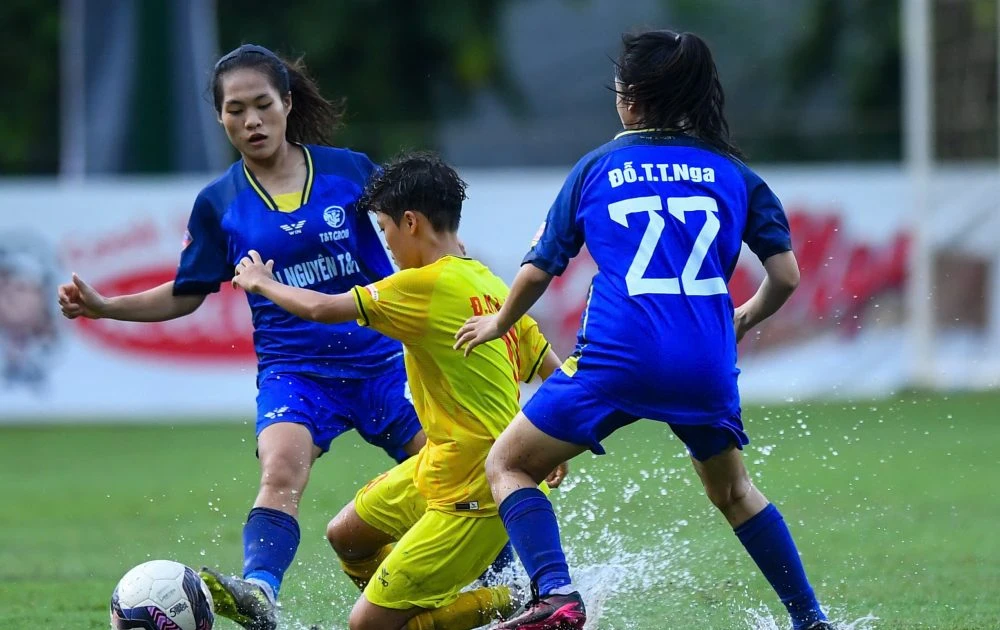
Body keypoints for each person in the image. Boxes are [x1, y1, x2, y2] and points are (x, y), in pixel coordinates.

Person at [455, 29, 836, 630]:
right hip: (705, 363)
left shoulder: (599, 167)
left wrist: (499, 321)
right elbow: (785, 276)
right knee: (734, 494)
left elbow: (537, 271)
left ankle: (555, 595)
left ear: (629, 98)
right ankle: (809, 618)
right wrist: (742, 319)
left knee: (509, 464)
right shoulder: (734, 173)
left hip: (620, 357)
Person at [57, 44, 426, 630]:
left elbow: (413, 242)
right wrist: (105, 306)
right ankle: (260, 593)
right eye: (235, 110)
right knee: (280, 471)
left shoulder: (350, 171)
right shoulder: (219, 203)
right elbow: (186, 292)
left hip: (383, 360)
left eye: (262, 105)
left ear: (286, 103)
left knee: (445, 470)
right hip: (296, 372)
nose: (251, 121)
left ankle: (508, 578)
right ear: (221, 117)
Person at [230, 151, 567, 630]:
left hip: (475, 491)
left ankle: (507, 601)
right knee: (347, 535)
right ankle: (423, 603)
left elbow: (323, 308)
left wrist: (262, 282)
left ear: (410, 222)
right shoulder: (488, 282)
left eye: (385, 229)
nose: (385, 242)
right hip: (443, 465)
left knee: (365, 626)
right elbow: (549, 367)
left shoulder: (422, 284)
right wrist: (551, 439)